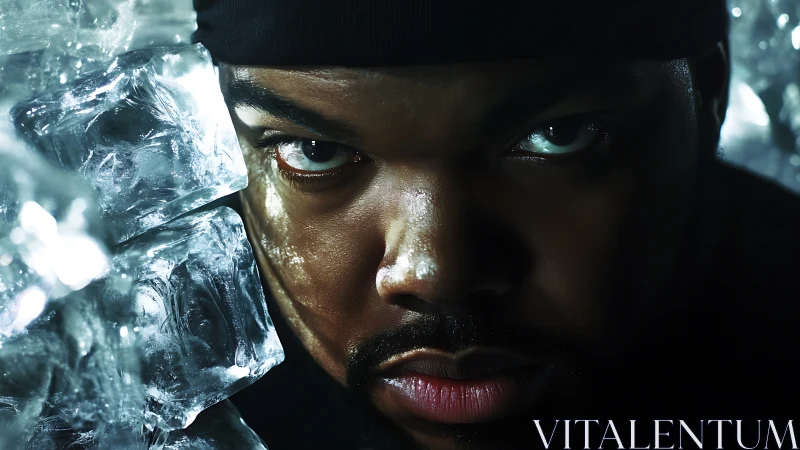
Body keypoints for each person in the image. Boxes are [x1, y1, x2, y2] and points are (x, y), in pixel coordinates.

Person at [191, 1, 800, 449]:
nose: (437, 272)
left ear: (709, 95)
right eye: (314, 151)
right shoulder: (151, 385)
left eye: (557, 138)